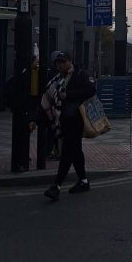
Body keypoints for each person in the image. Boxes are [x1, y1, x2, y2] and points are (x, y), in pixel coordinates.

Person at [39, 52, 96, 201]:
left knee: (67, 152)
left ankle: (56, 186)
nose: (60, 65)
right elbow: (48, 97)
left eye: (63, 62)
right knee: (75, 151)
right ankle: (83, 181)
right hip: (63, 120)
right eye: (58, 63)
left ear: (70, 61)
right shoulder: (57, 78)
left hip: (76, 119)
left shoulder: (80, 74)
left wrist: (69, 95)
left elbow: (91, 90)